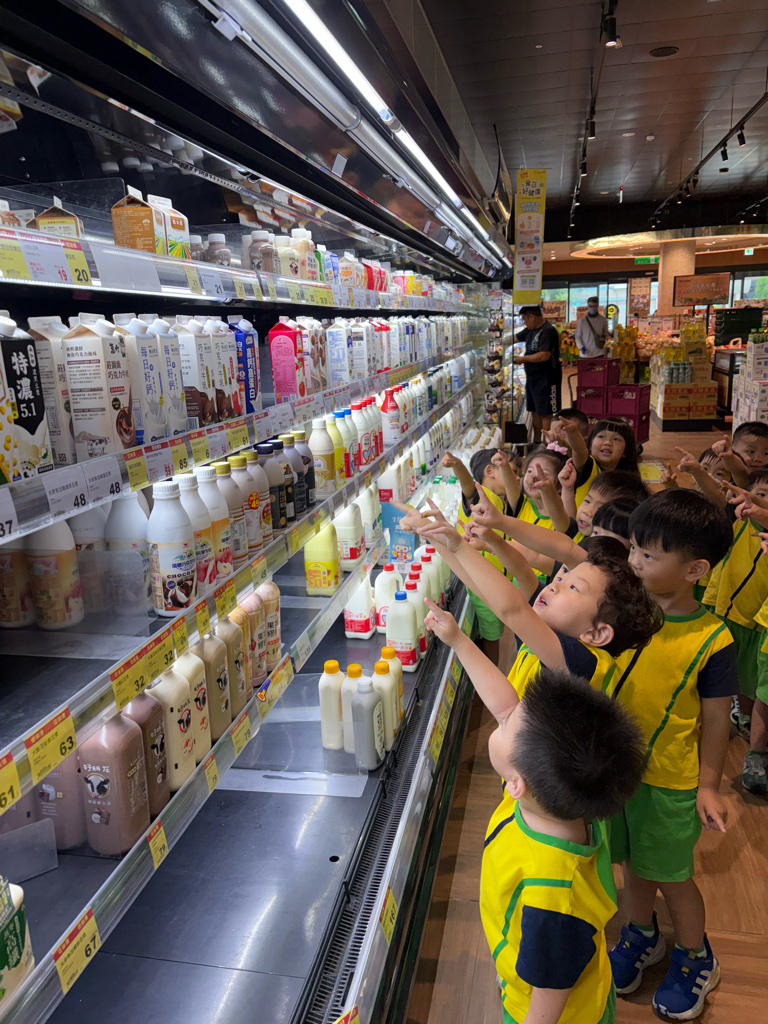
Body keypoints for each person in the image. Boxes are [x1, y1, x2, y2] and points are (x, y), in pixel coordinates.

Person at [422, 613, 647, 1024]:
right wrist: (457, 640)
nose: (503, 713)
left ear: (516, 783)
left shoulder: (554, 896)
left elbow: (551, 994)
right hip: (546, 970)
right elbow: (506, 703)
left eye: (505, 725)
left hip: (556, 1014)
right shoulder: (565, 804)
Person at [608, 490, 736, 1021]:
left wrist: (708, 785)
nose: (634, 561)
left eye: (648, 554)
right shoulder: (626, 611)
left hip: (669, 783)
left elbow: (716, 720)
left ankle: (695, 955)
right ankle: (641, 934)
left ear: (695, 569)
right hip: (617, 773)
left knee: (673, 878)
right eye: (633, 548)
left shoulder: (713, 639)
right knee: (632, 866)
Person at [514, 305, 561, 442]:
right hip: (533, 378)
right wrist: (496, 340)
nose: (524, 323)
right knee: (534, 410)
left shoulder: (548, 331)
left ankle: (547, 445)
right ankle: (537, 442)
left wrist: (522, 359)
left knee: (546, 412)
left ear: (532, 317)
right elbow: (515, 338)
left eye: (524, 319)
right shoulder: (530, 329)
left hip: (547, 378)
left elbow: (544, 355)